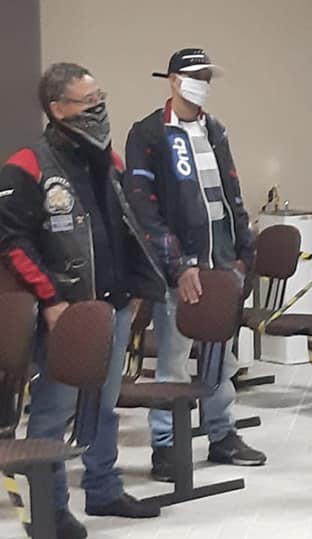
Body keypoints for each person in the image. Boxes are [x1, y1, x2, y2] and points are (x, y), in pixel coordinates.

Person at [0, 62, 163, 539]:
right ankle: (49, 508)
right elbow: (11, 241)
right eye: (88, 101)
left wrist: (136, 291)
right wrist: (50, 299)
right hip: (65, 313)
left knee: (104, 405)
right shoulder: (27, 164)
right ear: (57, 108)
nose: (99, 108)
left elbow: (127, 230)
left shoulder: (108, 160)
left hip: (111, 307)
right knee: (54, 412)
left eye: (100, 98)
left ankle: (104, 487)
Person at [122, 48, 267, 481]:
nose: (202, 83)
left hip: (221, 264)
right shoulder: (148, 133)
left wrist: (244, 255)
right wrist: (179, 264)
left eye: (207, 77)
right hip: (178, 270)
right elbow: (143, 209)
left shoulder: (215, 130)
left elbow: (231, 194)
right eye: (195, 76)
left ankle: (222, 433)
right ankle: (165, 446)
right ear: (173, 80)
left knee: (221, 357)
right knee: (173, 359)